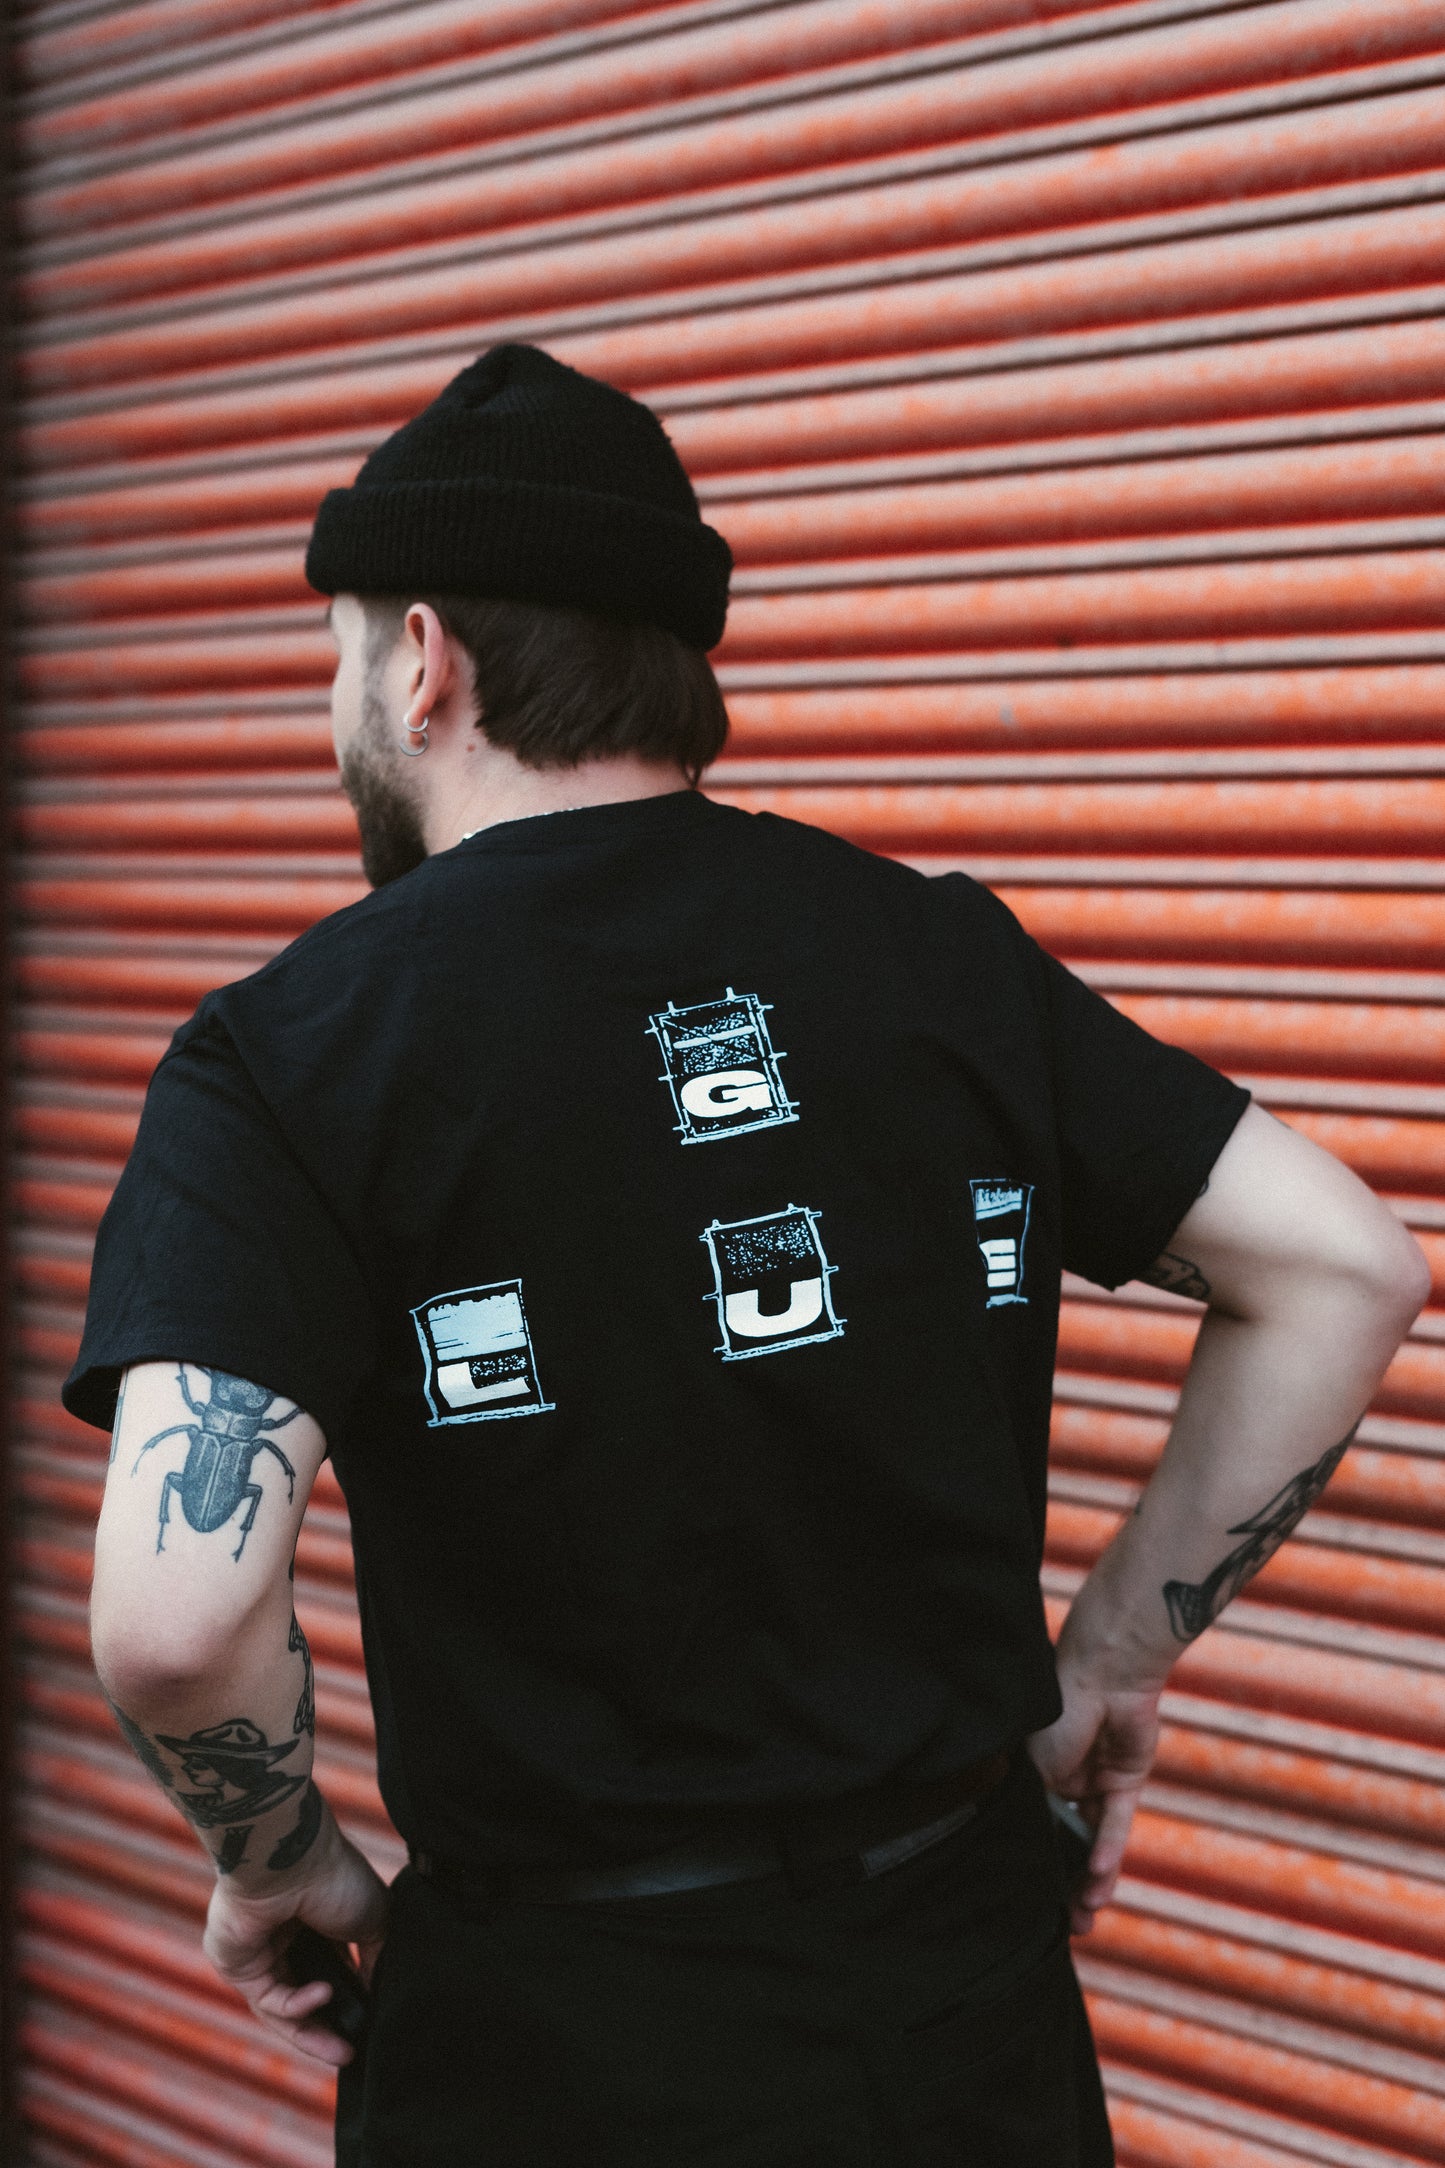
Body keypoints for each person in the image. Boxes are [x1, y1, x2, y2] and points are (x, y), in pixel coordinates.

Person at [70, 343, 1428, 2168]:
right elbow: (1340, 1267)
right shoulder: (931, 954)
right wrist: (1108, 1664)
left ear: (420, 660)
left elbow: (173, 1622)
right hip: (962, 2005)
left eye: (341, 654)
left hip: (558, 2048)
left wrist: (281, 1864)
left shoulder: (290, 1050)